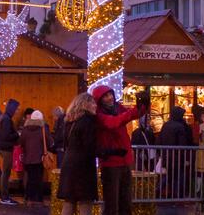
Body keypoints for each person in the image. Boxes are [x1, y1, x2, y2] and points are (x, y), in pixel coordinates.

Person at [92, 85, 148, 215]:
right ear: (99, 99)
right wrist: (135, 110)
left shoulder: (117, 108)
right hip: (111, 162)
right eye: (105, 96)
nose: (110, 97)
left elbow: (132, 115)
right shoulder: (99, 115)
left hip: (124, 160)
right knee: (112, 203)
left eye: (110, 94)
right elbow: (114, 122)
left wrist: (142, 106)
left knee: (126, 201)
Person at [57, 94, 98, 215]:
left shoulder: (70, 121)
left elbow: (65, 142)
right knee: (86, 201)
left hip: (69, 163)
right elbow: (89, 147)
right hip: (83, 166)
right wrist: (109, 152)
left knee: (69, 200)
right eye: (92, 103)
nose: (95, 105)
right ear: (85, 104)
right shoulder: (88, 121)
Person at [157, 106, 193, 198]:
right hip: (177, 156)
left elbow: (159, 140)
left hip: (166, 155)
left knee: (168, 175)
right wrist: (186, 157)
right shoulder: (180, 127)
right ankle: (177, 195)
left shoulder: (166, 125)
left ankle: (157, 190)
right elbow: (182, 143)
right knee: (178, 176)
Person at [18, 109, 52, 206]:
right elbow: (50, 142)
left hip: (27, 158)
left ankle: (29, 199)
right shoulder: (42, 129)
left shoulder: (25, 129)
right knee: (39, 179)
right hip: (39, 158)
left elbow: (21, 142)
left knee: (30, 179)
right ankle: (39, 200)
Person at [0, 99, 20, 206]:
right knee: (5, 173)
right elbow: (6, 136)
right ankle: (4, 197)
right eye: (16, 109)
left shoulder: (4, 117)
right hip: (6, 149)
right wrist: (17, 134)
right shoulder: (6, 119)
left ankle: (5, 196)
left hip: (4, 148)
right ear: (12, 108)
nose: (17, 111)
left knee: (5, 173)